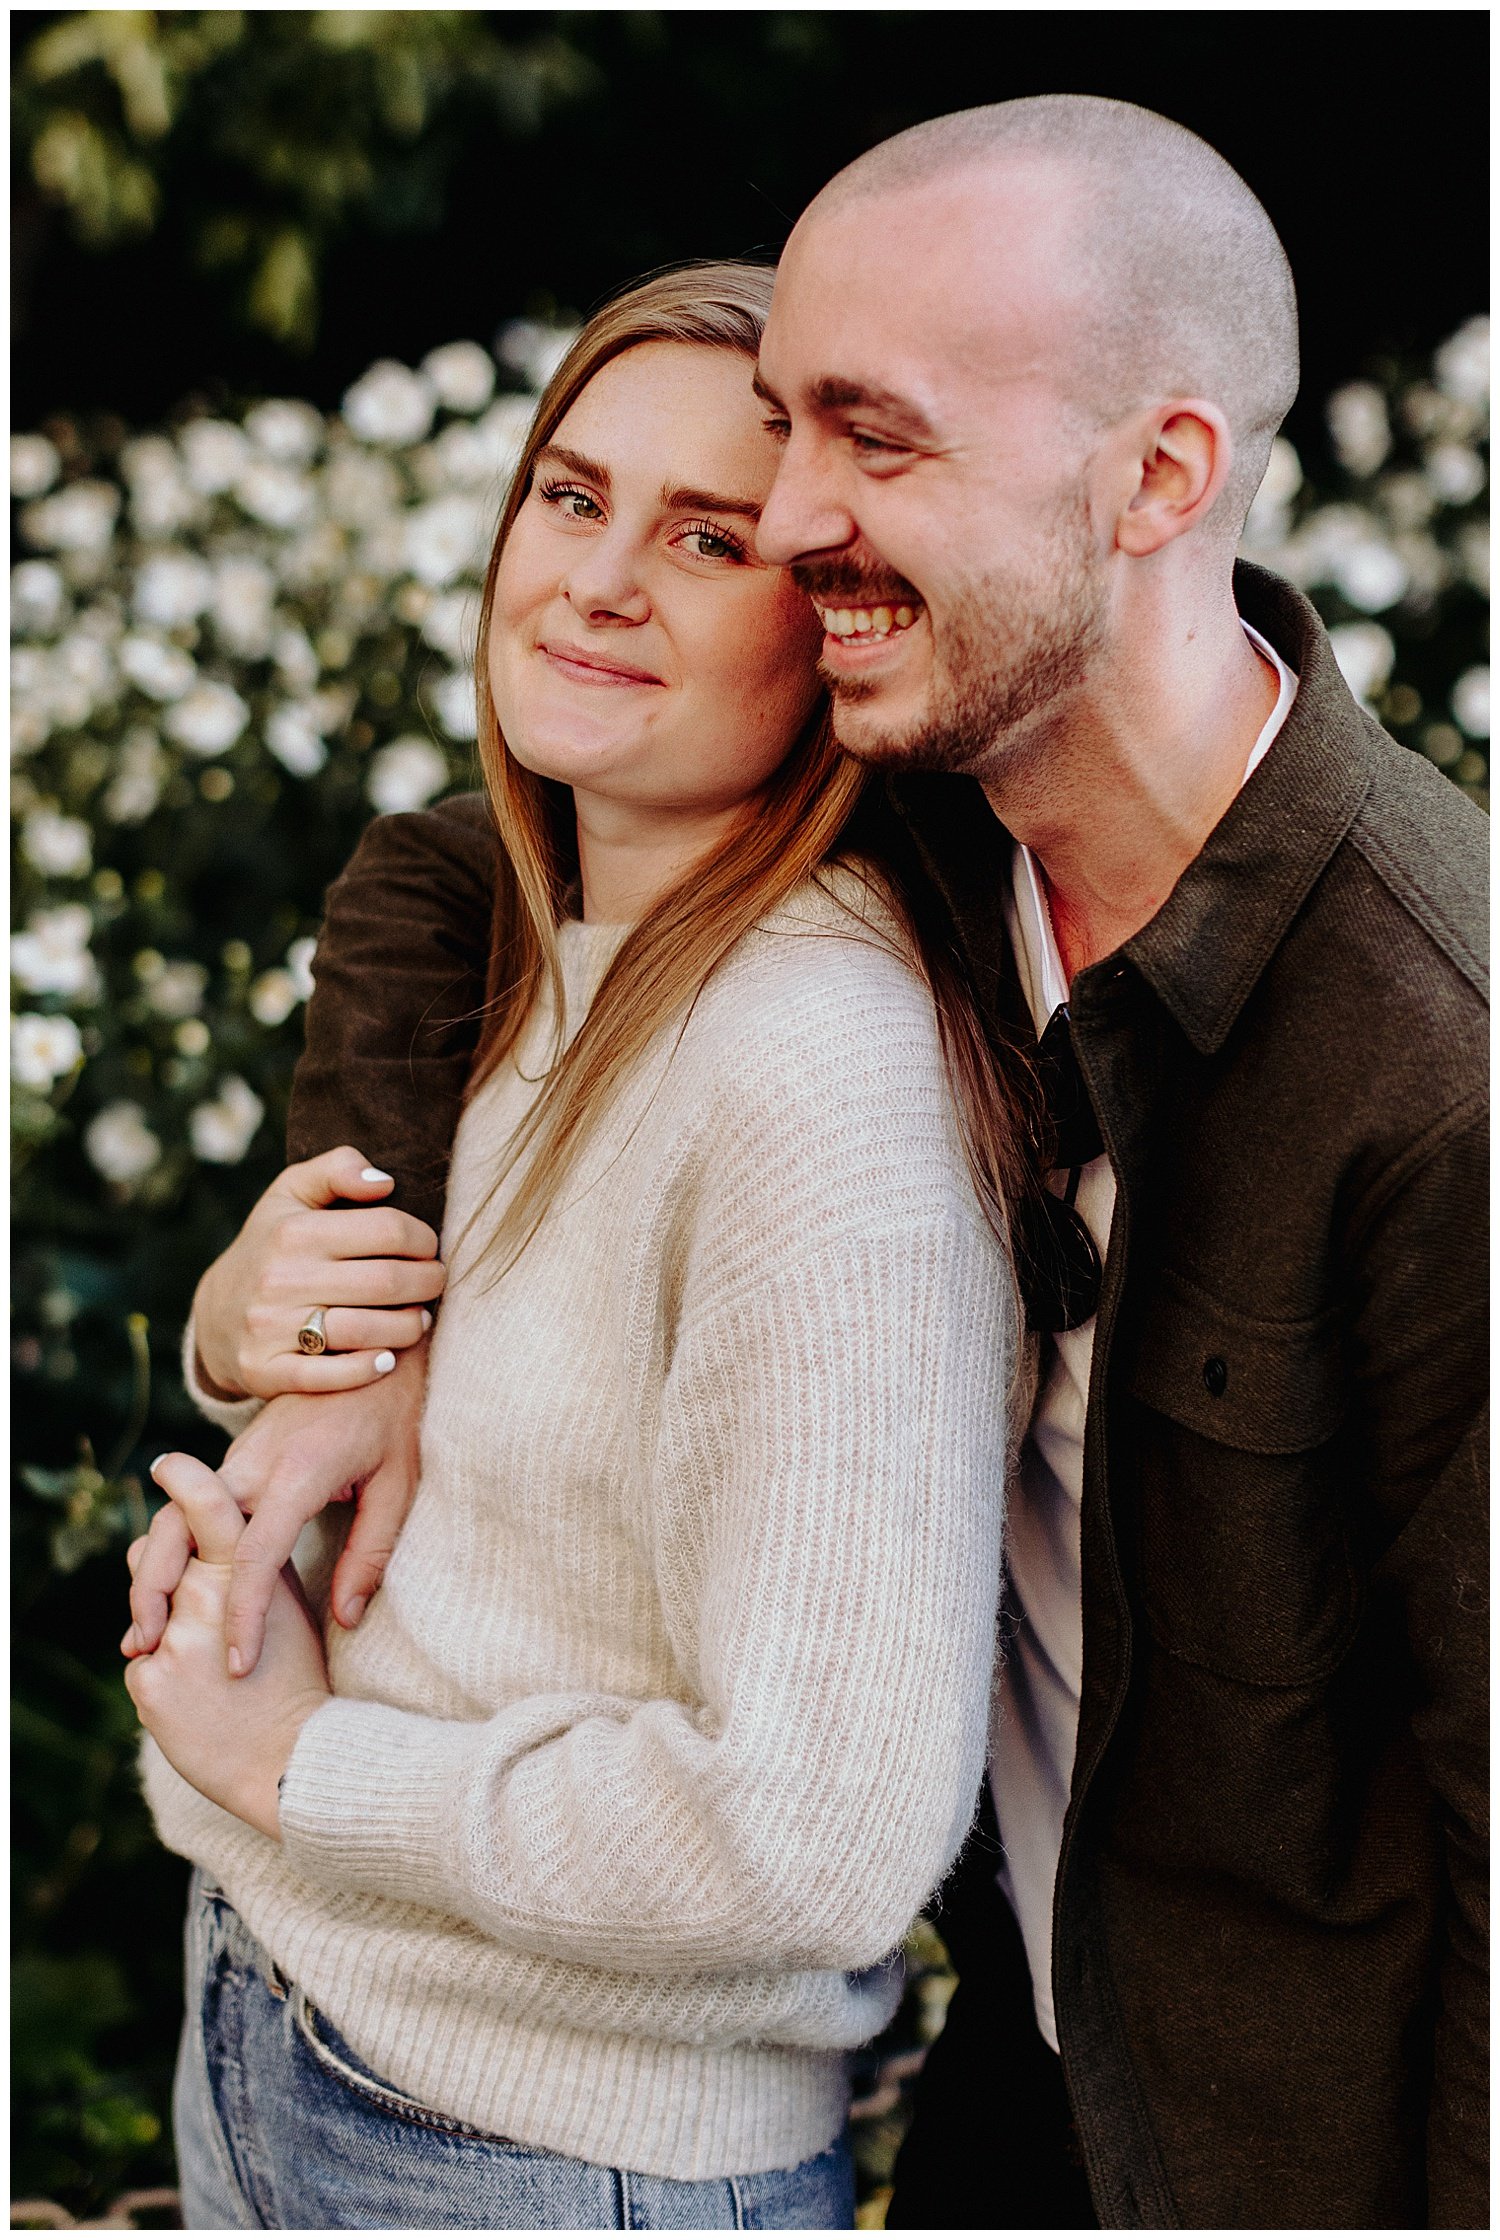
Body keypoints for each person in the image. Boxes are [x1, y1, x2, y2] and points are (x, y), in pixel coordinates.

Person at [130, 95, 1488, 2227]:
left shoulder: (1419, 1064)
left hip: (1261, 2157)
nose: (790, 528)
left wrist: (304, 1767)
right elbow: (453, 861)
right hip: (1009, 2079)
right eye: (783, 448)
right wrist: (335, 1309)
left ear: (1160, 478)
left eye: (871, 444)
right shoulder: (961, 790)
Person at [122, 262, 1031, 2230]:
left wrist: (307, 1762)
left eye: (707, 540)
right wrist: (265, 1396)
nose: (596, 578)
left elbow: (823, 1830)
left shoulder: (817, 1066)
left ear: (843, 617)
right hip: (302, 2026)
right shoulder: (556, 946)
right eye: (570, 492)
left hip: (529, 2154)